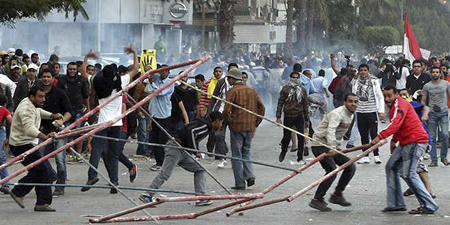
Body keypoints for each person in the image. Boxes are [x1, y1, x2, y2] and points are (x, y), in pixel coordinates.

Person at [371, 85, 438, 214]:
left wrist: (380, 136)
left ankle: (429, 205)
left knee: (409, 174)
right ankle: (396, 203)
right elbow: (401, 126)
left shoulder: (400, 105)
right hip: (406, 142)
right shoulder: (394, 108)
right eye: (385, 96)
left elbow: (396, 123)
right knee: (391, 167)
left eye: (389, 96)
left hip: (415, 141)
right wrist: (393, 141)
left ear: (396, 95)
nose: (387, 99)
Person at [81, 46, 138, 193]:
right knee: (113, 155)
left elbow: (83, 72)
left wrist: (87, 56)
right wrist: (134, 53)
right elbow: (136, 70)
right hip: (117, 124)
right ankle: (115, 182)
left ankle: (92, 175)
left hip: (103, 123)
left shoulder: (97, 83)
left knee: (96, 151)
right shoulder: (121, 82)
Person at [139, 111, 225, 206]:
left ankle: (201, 197)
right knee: (165, 173)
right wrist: (196, 151)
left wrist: (194, 150)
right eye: (221, 122)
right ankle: (147, 195)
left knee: (200, 169)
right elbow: (191, 132)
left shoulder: (205, 125)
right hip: (175, 147)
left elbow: (193, 136)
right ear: (216, 121)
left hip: (183, 150)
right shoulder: (205, 126)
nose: (221, 125)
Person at [8, 86, 62, 212]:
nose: (43, 99)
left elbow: (38, 111)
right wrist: (45, 136)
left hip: (28, 143)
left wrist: (52, 116)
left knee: (42, 171)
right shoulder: (26, 109)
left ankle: (41, 202)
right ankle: (19, 192)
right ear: (32, 97)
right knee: (44, 171)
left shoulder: (32, 104)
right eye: (40, 97)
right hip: (21, 144)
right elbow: (29, 129)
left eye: (44, 96)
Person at [308, 93, 358, 212]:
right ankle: (317, 200)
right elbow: (331, 130)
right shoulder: (337, 113)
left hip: (332, 146)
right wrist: (332, 147)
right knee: (332, 171)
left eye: (355, 102)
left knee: (350, 166)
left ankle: (337, 195)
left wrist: (335, 146)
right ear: (344, 103)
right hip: (320, 145)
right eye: (350, 101)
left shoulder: (351, 115)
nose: (353, 104)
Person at [223, 68, 265, 190]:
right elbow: (262, 108)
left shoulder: (232, 91)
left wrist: (229, 120)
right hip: (249, 126)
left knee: (236, 155)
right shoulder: (251, 90)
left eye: (229, 78)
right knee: (246, 152)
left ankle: (240, 183)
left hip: (237, 127)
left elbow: (226, 110)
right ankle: (250, 175)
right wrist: (256, 123)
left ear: (233, 79)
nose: (228, 80)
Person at [39, 69, 72, 196]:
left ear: (53, 79)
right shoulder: (37, 93)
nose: (46, 79)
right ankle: (48, 179)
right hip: (42, 130)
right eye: (44, 77)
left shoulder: (60, 93)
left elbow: (69, 111)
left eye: (48, 77)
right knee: (40, 157)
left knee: (60, 159)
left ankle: (60, 185)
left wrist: (62, 120)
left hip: (59, 130)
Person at [398, 89, 436, 199]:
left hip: (421, 141)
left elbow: (425, 107)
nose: (402, 97)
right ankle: (414, 186)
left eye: (404, 95)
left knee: (415, 165)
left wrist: (424, 115)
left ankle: (429, 190)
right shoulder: (399, 108)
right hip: (409, 141)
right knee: (403, 167)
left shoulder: (411, 104)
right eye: (400, 95)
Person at [352, 63, 385, 164]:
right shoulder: (356, 81)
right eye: (361, 70)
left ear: (368, 71)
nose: (363, 72)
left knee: (374, 134)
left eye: (365, 70)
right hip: (360, 111)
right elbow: (353, 93)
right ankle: (365, 156)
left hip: (371, 111)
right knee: (363, 135)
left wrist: (381, 111)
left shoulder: (374, 81)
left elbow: (380, 96)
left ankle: (376, 155)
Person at [145, 64, 175, 171]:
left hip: (164, 115)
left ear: (168, 72)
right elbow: (147, 85)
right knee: (155, 139)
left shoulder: (170, 83)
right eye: (161, 70)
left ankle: (162, 162)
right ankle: (158, 162)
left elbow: (160, 92)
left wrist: (152, 83)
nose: (162, 72)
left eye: (165, 71)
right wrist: (150, 76)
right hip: (155, 114)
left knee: (162, 141)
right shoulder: (155, 79)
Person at [276, 72, 309, 163]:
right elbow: (280, 103)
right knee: (286, 137)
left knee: (301, 137)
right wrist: (278, 116)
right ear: (290, 78)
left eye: (297, 77)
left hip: (299, 116)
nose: (295, 79)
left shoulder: (302, 90)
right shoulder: (285, 89)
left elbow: (305, 105)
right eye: (293, 77)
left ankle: (300, 157)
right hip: (288, 116)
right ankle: (283, 152)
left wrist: (306, 119)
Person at [421, 66, 450, 167]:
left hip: (444, 112)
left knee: (445, 135)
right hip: (432, 113)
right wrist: (423, 111)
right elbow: (423, 100)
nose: (435, 74)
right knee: (432, 137)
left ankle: (444, 157)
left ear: (440, 73)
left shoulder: (446, 84)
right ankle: (433, 160)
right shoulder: (427, 86)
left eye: (437, 72)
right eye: (433, 72)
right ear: (431, 73)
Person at [0, 94, 12, 194]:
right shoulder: (4, 110)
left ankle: (5, 183)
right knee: (1, 158)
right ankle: (6, 184)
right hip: (1, 131)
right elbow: (11, 121)